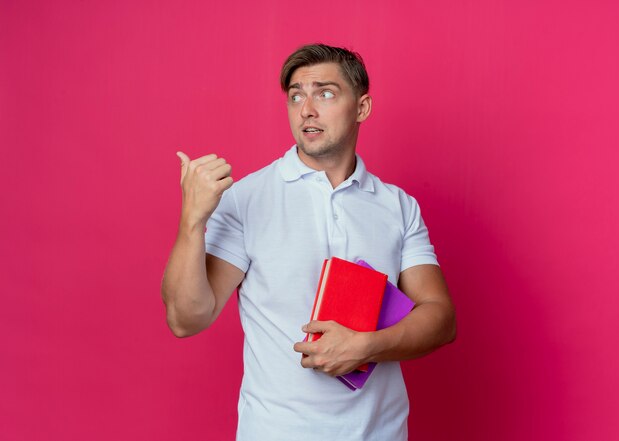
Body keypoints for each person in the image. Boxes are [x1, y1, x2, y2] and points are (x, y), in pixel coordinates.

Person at [161, 43, 456, 441]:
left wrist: (366, 346)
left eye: (326, 93)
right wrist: (192, 221)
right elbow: (186, 319)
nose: (306, 109)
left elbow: (440, 318)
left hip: (382, 433)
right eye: (296, 95)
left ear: (362, 108)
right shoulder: (248, 198)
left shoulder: (398, 206)